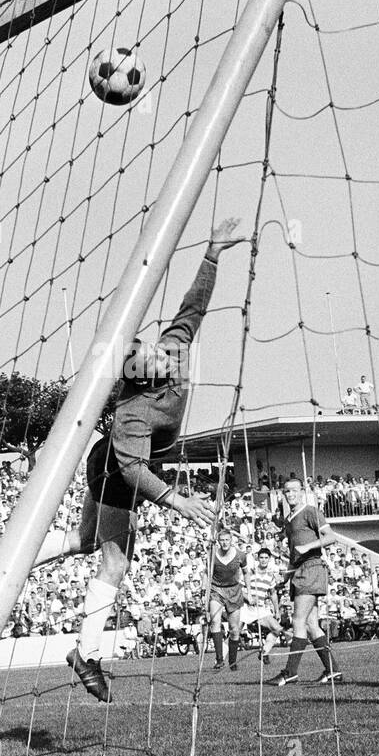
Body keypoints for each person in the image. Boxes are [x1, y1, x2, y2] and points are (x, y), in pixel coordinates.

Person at [27, 219, 248, 701]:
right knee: (115, 561)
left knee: (87, 541)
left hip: (111, 461)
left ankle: (19, 558)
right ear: (137, 374)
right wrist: (177, 501)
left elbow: (194, 308)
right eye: (146, 358)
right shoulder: (133, 413)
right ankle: (86, 653)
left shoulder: (174, 350)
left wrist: (212, 254)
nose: (158, 354)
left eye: (151, 349)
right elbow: (131, 470)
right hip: (116, 468)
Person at [264, 478, 364, 687]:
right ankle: (333, 671)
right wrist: (286, 576)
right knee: (311, 625)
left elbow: (330, 537)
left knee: (298, 621)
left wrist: (308, 546)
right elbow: (294, 554)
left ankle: (290, 672)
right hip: (299, 571)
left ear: (301, 491)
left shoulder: (310, 511)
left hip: (312, 569)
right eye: (286, 491)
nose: (289, 494)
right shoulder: (289, 519)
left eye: (293, 491)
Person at [207, 528, 247, 671]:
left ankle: (232, 661)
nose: (224, 543)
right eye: (222, 540)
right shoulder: (212, 555)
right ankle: (219, 660)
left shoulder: (240, 555)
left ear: (231, 541)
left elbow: (246, 572)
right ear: (218, 541)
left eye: (227, 540)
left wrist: (248, 587)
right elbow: (207, 574)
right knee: (215, 621)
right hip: (216, 590)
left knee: (234, 629)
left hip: (234, 591)